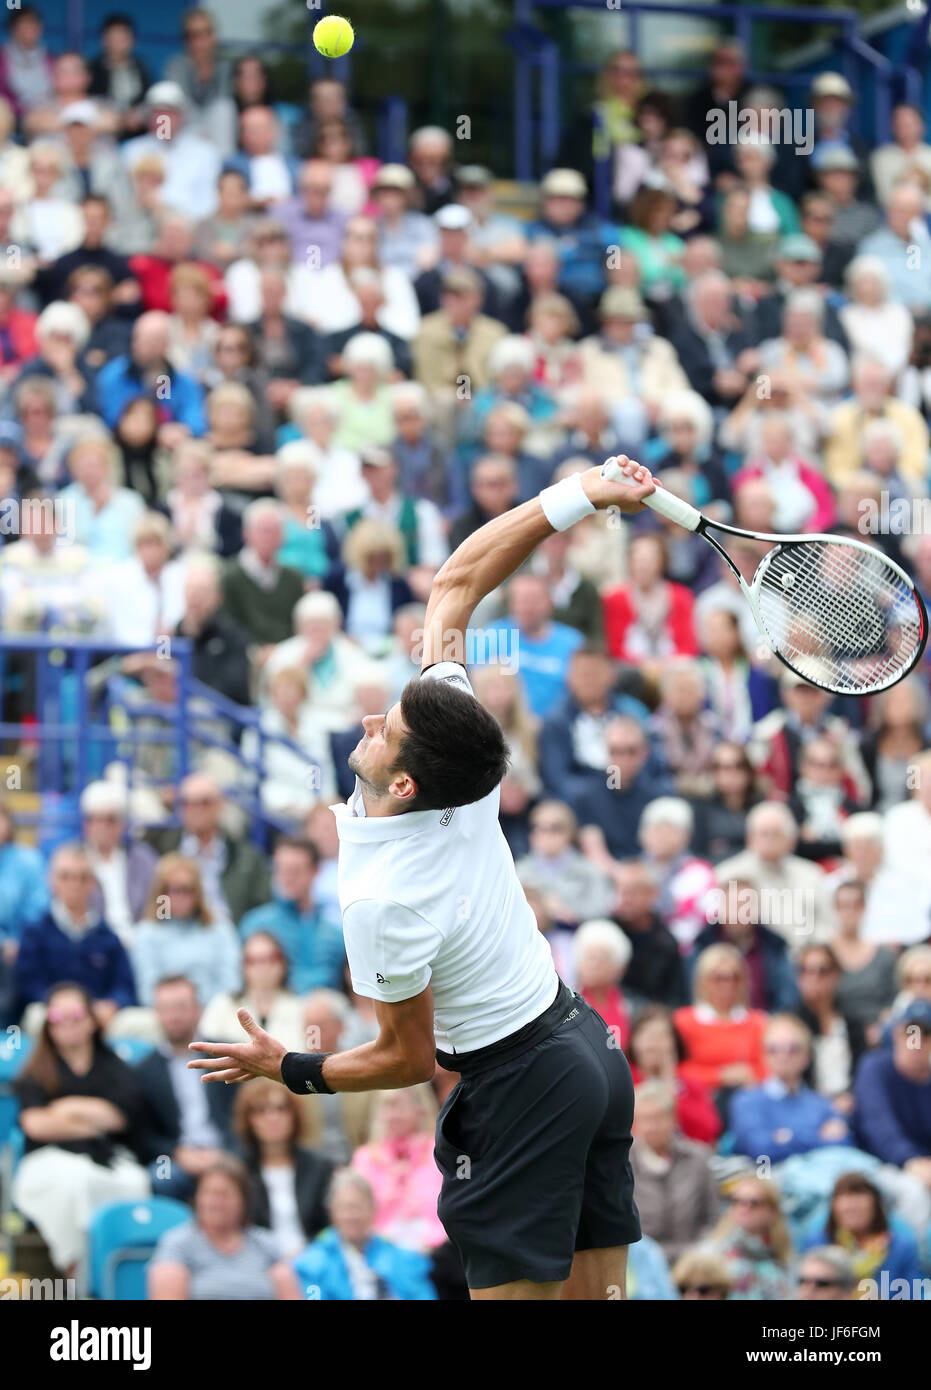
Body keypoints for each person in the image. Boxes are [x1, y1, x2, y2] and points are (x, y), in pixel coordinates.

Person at [189, 455, 657, 1300]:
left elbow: (406, 1059)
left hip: (521, 1093)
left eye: (385, 728)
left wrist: (289, 1068)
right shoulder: (454, 752)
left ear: (404, 783)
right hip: (587, 1052)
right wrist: (583, 492)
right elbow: (457, 582)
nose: (372, 718)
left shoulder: (380, 901)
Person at [12, 982, 150, 1273]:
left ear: (91, 1019)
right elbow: (35, 1124)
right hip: (48, 1159)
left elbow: (118, 1116)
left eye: (76, 1013)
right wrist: (89, 1125)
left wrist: (65, 1108)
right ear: (48, 1025)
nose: (68, 1023)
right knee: (76, 1183)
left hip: (108, 1157)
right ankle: (82, 1273)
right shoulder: (35, 1069)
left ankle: (123, 1273)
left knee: (135, 1181)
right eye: (57, 1016)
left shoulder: (113, 1065)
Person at [14, 844, 136, 1028]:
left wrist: (112, 1004)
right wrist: (60, 1004)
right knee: (35, 1017)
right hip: (52, 1013)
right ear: (51, 880)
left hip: (97, 1017)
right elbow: (28, 985)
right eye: (65, 876)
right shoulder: (35, 931)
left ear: (93, 883)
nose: (74, 884)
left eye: (82, 877)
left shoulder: (107, 935)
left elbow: (124, 986)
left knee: (137, 1022)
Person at [148, 1155, 301, 1299]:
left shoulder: (266, 1244)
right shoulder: (177, 1244)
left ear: (243, 1200)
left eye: (224, 1194)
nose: (215, 1202)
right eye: (208, 1193)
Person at [137, 976, 235, 1199]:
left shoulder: (227, 1055)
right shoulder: (143, 1071)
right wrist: (177, 1152)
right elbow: (144, 1135)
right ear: (157, 1013)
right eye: (166, 1008)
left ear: (198, 1010)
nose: (174, 1016)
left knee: (247, 1168)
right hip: (173, 1157)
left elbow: (242, 1116)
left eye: (181, 1007)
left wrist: (223, 1154)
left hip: (225, 1152)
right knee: (160, 1177)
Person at [292, 1168, 437, 1301]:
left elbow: (424, 1295)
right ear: (331, 1211)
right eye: (345, 1208)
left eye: (359, 1207)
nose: (352, 1215)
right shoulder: (312, 1264)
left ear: (374, 1209)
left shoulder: (404, 1259)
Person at [234, 1079, 336, 1257]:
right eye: (260, 1111)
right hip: (256, 1264)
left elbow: (332, 1227)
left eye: (281, 1109)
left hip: (315, 1260)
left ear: (294, 1114)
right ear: (248, 1119)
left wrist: (308, 1250)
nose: (272, 1117)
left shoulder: (320, 1167)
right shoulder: (238, 1170)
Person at [729, 1013, 849, 1163]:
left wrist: (786, 1137)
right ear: (763, 1055)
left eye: (792, 1048)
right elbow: (760, 1152)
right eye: (773, 1049)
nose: (783, 1056)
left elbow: (844, 1142)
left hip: (819, 1177)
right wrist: (817, 1136)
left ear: (807, 1056)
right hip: (768, 1178)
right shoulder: (746, 1101)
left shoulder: (822, 1104)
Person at [131, 854, 241, 1009]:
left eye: (186, 889)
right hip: (165, 1015)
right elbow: (147, 991)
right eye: (173, 890)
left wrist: (198, 1009)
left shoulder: (219, 930)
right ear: (161, 893)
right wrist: (179, 1010)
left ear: (198, 893)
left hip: (213, 1013)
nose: (180, 896)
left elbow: (231, 984)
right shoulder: (147, 933)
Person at [238, 838, 345, 995]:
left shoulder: (334, 931)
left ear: (315, 871)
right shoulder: (255, 924)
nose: (287, 878)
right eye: (281, 869)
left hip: (324, 1010)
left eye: (295, 871)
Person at [630, 1079, 719, 1264]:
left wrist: (700, 1250)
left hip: (694, 1258)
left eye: (659, 1118)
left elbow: (712, 1217)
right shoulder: (623, 1163)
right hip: (642, 1261)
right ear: (635, 1123)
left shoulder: (697, 1158)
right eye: (646, 1119)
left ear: (673, 1119)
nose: (652, 1127)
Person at [350, 1086, 446, 1253]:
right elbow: (355, 1214)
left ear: (420, 1109)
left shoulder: (439, 1153)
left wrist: (431, 1243)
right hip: (378, 1253)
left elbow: (452, 1208)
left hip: (436, 1254)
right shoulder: (365, 1158)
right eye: (387, 1107)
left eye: (399, 1106)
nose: (392, 1115)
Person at [801, 1173, 925, 1300]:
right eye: (844, 1199)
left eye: (858, 1199)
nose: (850, 1206)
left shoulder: (900, 1247)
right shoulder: (818, 1244)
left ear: (875, 1206)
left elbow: (912, 1293)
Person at [852, 1000, 931, 1183]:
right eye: (909, 1032)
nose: (915, 1042)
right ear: (896, 1034)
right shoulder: (874, 1068)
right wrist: (909, 1160)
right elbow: (879, 1126)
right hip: (877, 1166)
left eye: (923, 1034)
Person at [627, 1005, 721, 1146]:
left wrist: (671, 1089)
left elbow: (708, 1132)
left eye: (661, 1035)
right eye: (646, 1034)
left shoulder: (691, 1085)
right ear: (634, 1041)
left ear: (674, 1044)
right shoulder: (622, 1083)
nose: (653, 1042)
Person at [707, 1176, 793, 1301]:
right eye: (737, 1201)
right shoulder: (713, 1253)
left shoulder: (783, 1256)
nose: (744, 1208)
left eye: (754, 1203)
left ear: (772, 1210)